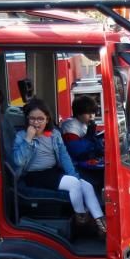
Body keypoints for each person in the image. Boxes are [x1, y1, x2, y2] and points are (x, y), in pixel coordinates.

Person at [13, 98, 106, 235]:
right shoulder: (21, 136)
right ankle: (82, 218)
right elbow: (19, 161)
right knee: (74, 184)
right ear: (27, 119)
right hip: (34, 175)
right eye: (32, 119)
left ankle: (101, 224)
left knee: (86, 185)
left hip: (53, 171)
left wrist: (74, 174)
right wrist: (29, 139)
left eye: (40, 119)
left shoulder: (54, 135)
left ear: (47, 119)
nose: (36, 122)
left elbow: (64, 156)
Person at [60, 94, 104, 168]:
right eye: (88, 113)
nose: (91, 116)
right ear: (78, 113)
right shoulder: (70, 126)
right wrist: (89, 137)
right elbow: (76, 150)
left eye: (93, 113)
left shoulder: (83, 123)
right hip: (75, 165)